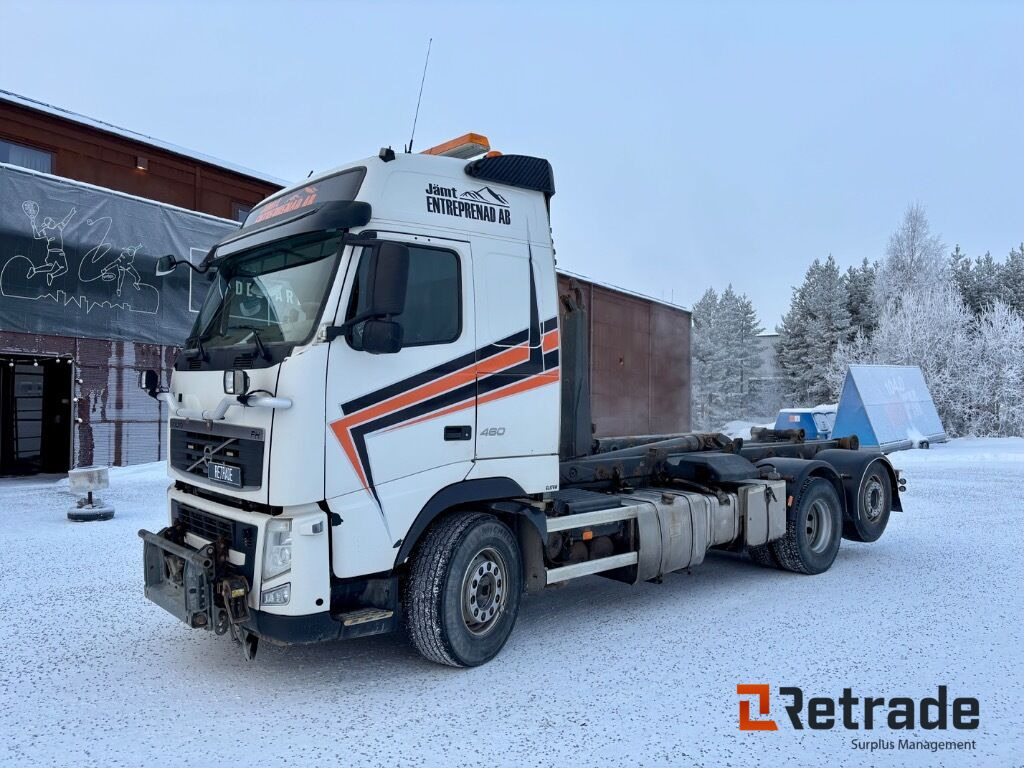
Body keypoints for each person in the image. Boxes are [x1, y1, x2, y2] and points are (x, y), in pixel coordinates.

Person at [25, 206, 75, 285]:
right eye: (50, 222)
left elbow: (65, 221)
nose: (52, 222)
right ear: (47, 224)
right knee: (63, 268)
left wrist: (71, 213)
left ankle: (36, 270)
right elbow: (36, 236)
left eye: (52, 221)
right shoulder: (50, 230)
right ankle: (50, 275)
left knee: (51, 266)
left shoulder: (56, 228)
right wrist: (34, 226)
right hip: (57, 252)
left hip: (53, 252)